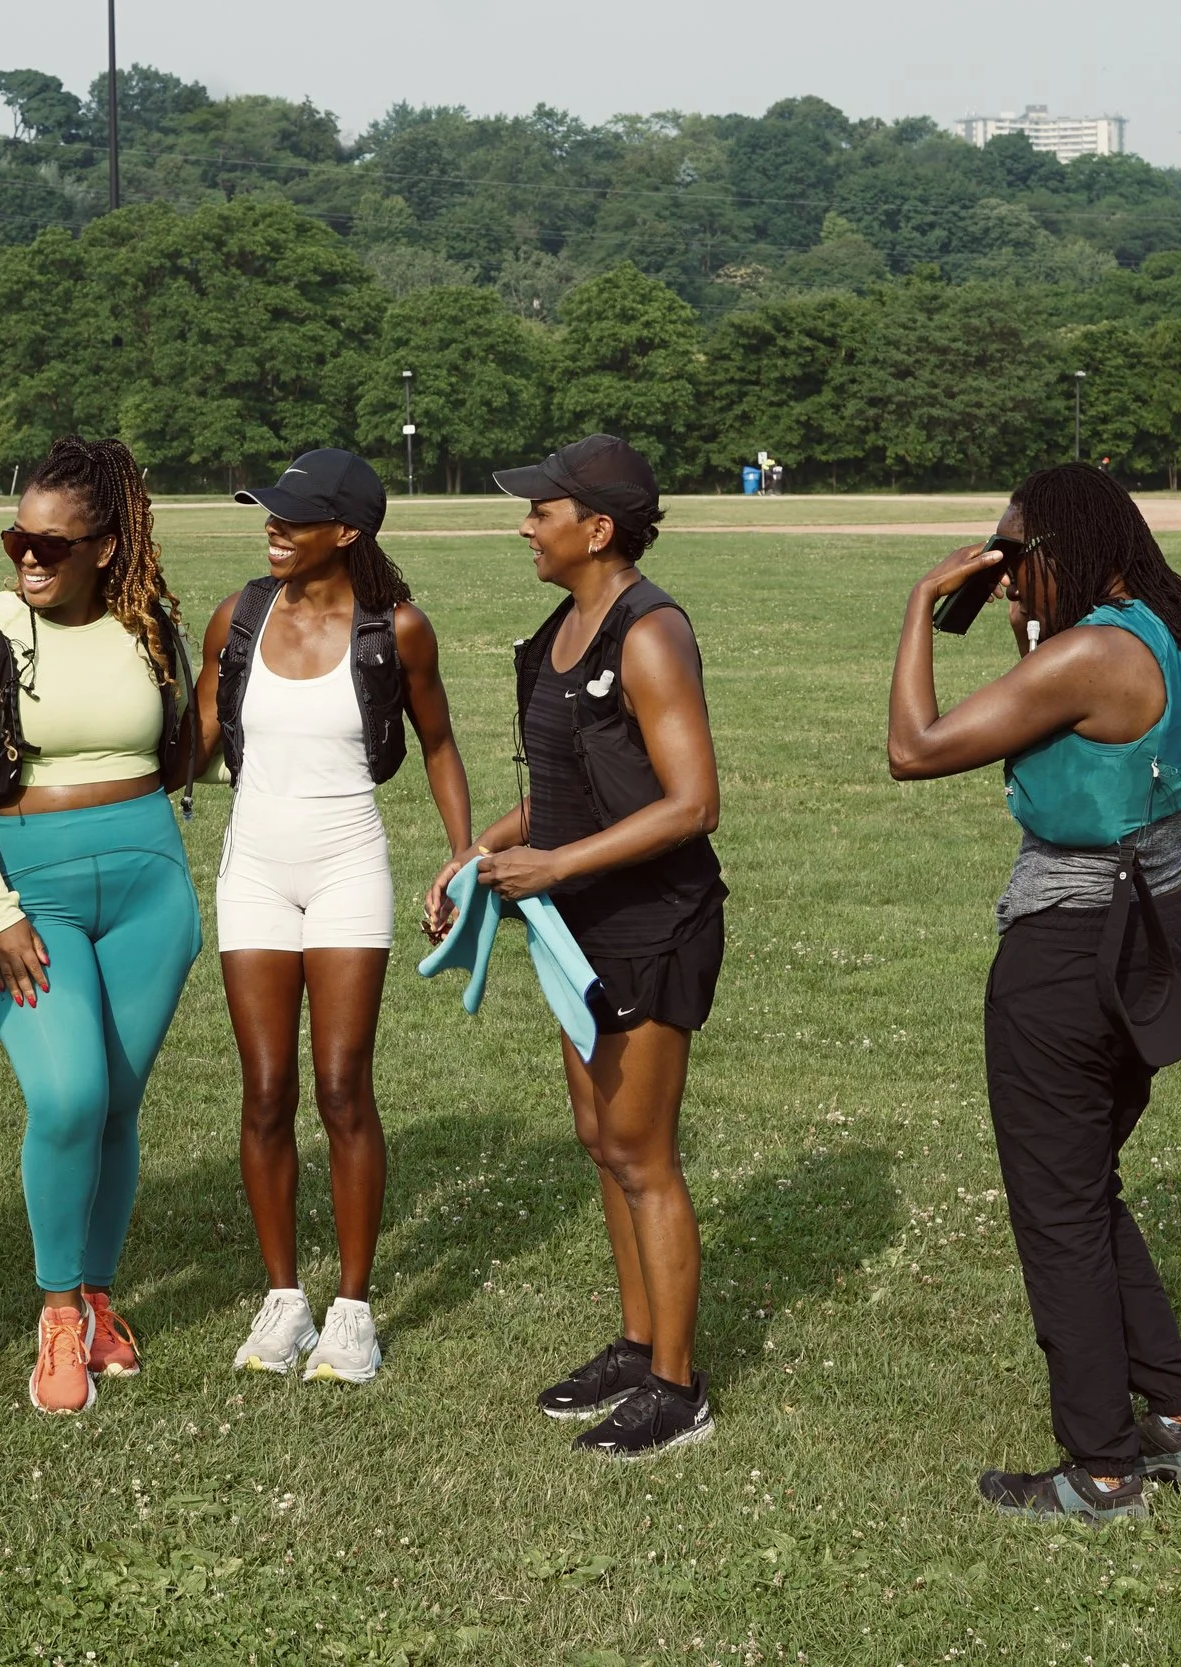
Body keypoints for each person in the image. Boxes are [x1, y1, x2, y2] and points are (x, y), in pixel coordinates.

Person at [887, 460, 1181, 1524]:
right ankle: (1178, 1422)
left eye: (1010, 557)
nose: (998, 579)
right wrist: (1023, 615)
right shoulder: (1174, 636)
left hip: (1068, 943)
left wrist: (916, 608)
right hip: (1151, 925)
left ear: (1062, 551)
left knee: (1057, 1208)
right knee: (1088, 1183)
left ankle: (1102, 1466)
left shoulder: (1087, 653)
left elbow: (914, 748)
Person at [426, 435, 727, 1459]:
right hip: (582, 927)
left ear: (595, 529)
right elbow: (563, 794)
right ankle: (640, 1343)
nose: (523, 524)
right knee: (603, 1145)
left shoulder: (649, 633)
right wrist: (482, 852)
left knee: (643, 1154)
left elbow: (692, 803)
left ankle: (678, 1388)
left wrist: (553, 867)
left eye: (539, 510)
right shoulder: (563, 626)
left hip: (652, 923)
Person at [0, 436, 203, 1416]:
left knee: (118, 1102)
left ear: (108, 546)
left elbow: (180, 752)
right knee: (70, 1091)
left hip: (150, 892)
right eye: (17, 540)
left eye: (52, 544)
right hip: (28, 899)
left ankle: (98, 1298)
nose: (29, 558)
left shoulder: (151, 623)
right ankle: (53, 1310)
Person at [196, 450, 474, 1383]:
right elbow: (192, 745)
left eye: (291, 516)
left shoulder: (399, 629)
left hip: (348, 863)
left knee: (344, 1083)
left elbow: (438, 740)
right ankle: (284, 1304)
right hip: (254, 872)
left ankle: (351, 1312)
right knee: (266, 1088)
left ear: (345, 532)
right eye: (266, 513)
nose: (270, 526)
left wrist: (462, 853)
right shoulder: (237, 617)